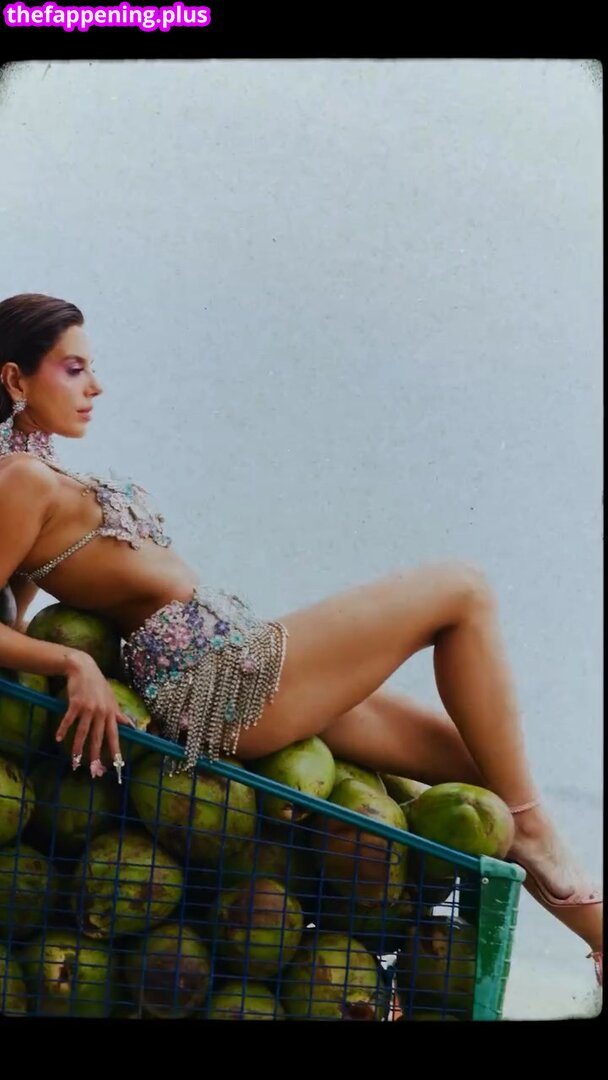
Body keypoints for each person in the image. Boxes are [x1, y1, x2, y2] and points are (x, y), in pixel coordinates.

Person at [0, 292, 602, 987]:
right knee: (461, 590)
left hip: (241, 663)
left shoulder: (38, 472)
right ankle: (539, 831)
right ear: (16, 379)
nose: (96, 386)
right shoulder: (21, 481)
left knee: (483, 773)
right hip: (222, 684)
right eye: (74, 369)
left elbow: (13, 607)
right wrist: (73, 661)